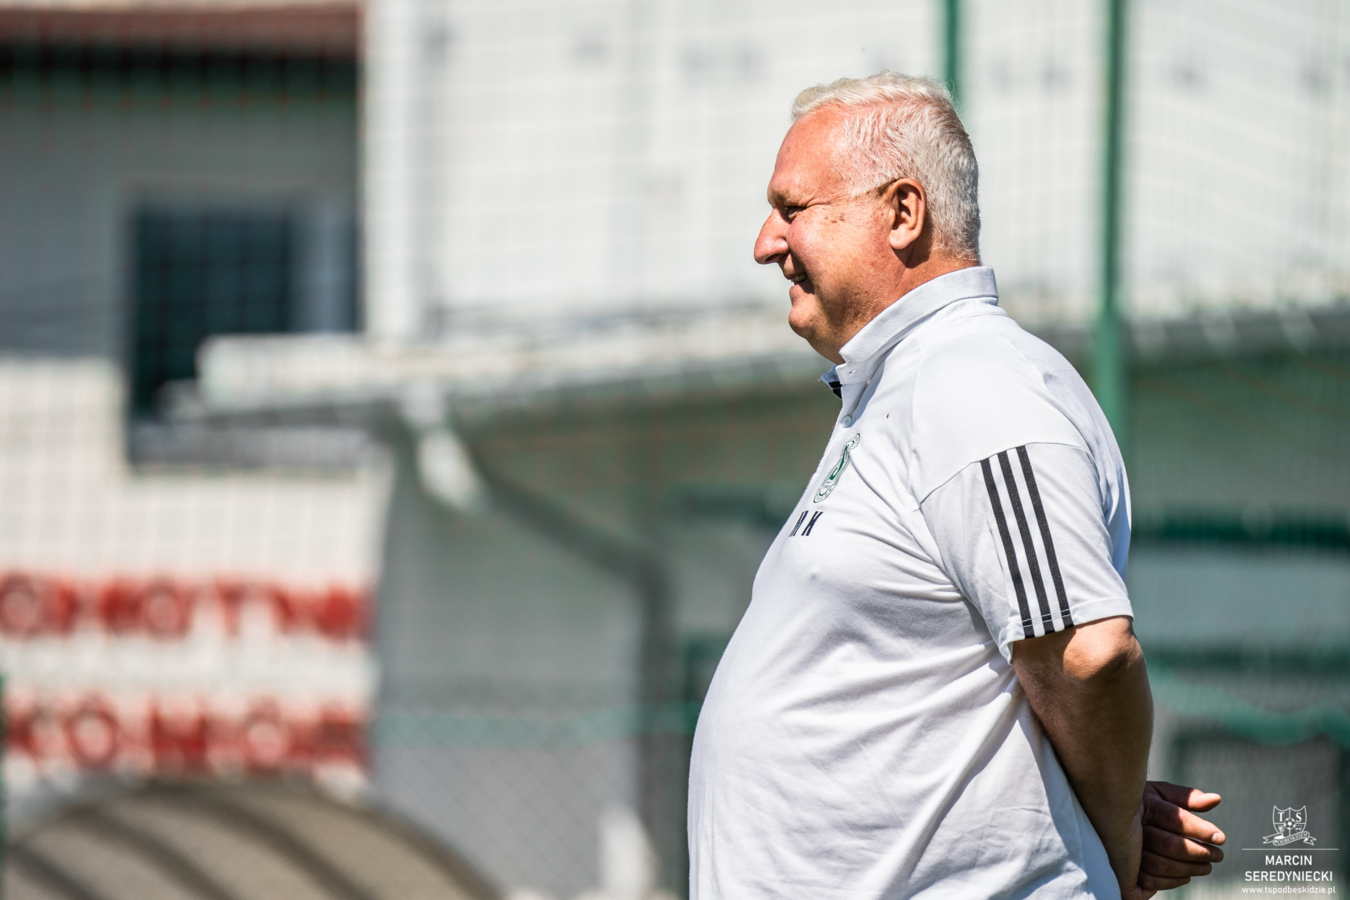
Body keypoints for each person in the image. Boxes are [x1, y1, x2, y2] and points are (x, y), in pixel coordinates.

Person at [687, 72, 1226, 899]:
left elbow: (1085, 655)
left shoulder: (972, 380)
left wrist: (1118, 842)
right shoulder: (909, 387)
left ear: (903, 213)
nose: (766, 243)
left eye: (792, 208)